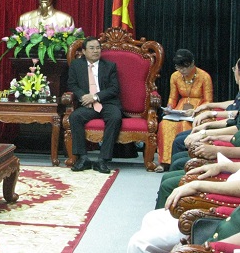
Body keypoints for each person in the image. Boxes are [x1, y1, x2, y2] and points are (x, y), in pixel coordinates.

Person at [128, 160, 240, 253]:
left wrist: (211, 247)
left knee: (138, 243)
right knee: (152, 218)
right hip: (229, 220)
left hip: (224, 224)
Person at [67, 36, 122, 174]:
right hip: (87, 104)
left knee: (115, 117)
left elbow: (114, 89)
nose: (96, 51)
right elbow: (72, 84)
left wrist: (95, 97)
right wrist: (83, 96)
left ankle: (103, 160)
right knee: (75, 117)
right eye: (92, 48)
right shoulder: (76, 65)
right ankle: (83, 158)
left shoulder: (109, 66)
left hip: (107, 103)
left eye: (98, 48)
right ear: (84, 51)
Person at [155, 49, 213, 172]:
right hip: (180, 109)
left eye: (184, 68)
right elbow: (173, 97)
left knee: (185, 125)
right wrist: (170, 108)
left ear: (192, 64)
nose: (181, 71)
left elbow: (208, 101)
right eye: (178, 68)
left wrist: (196, 111)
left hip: (199, 109)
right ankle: (164, 162)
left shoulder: (204, 76)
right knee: (164, 125)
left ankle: (184, 161)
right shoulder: (175, 76)